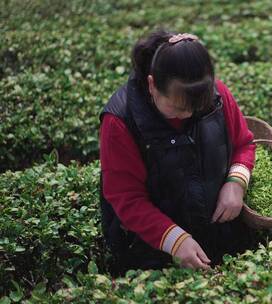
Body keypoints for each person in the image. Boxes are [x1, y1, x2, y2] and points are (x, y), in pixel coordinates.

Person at [98, 29, 257, 275]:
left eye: (197, 107)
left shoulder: (218, 95)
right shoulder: (120, 121)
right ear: (152, 85)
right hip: (152, 254)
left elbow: (244, 144)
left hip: (220, 237)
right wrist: (174, 240)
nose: (188, 115)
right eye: (177, 107)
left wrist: (236, 183)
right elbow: (125, 198)